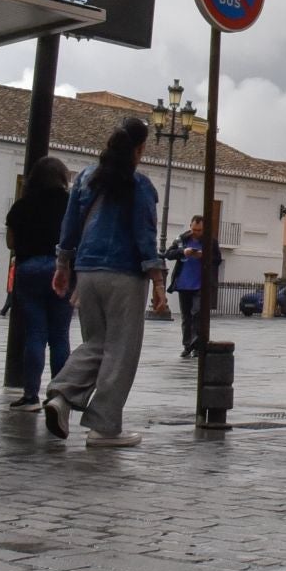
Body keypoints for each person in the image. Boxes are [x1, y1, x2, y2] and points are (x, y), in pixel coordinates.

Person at [43, 119, 167, 450]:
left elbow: (69, 225)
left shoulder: (85, 178)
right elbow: (145, 235)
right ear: (140, 149)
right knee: (121, 349)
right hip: (124, 273)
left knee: (95, 343)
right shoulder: (140, 185)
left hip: (87, 271)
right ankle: (104, 426)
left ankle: (62, 395)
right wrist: (157, 281)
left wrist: (63, 265)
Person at [5, 156, 72, 411]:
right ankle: (59, 395)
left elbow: (11, 242)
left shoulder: (22, 206)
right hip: (61, 269)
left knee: (35, 333)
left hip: (29, 268)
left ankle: (30, 394)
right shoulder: (68, 204)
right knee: (59, 335)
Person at [161, 215, 214, 359]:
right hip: (184, 283)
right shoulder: (181, 239)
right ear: (190, 226)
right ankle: (187, 346)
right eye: (194, 229)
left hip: (200, 284)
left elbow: (217, 259)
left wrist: (205, 256)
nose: (197, 232)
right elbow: (168, 254)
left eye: (200, 230)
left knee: (197, 313)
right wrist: (183, 252)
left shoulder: (210, 241)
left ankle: (197, 345)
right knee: (186, 317)